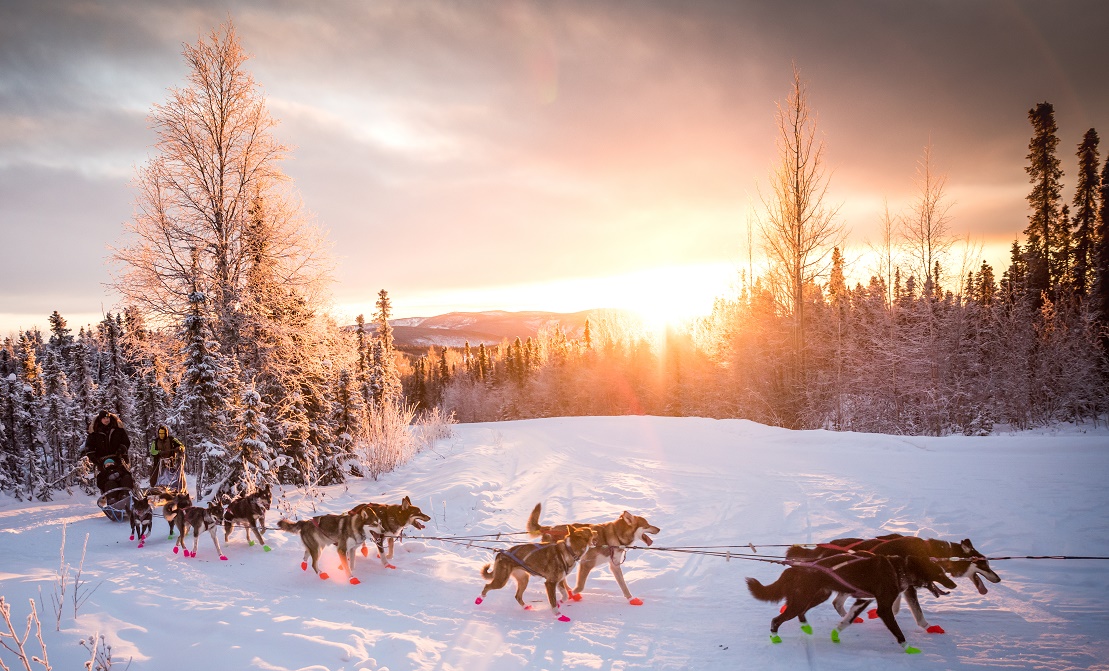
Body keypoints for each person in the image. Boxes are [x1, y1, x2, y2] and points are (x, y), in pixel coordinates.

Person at [82, 410, 132, 493]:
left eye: (107, 418)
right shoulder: (95, 432)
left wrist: (121, 450)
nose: (106, 420)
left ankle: (126, 494)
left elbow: (126, 442)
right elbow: (89, 447)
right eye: (104, 418)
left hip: (118, 458)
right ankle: (111, 497)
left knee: (125, 476)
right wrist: (94, 458)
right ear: (100, 419)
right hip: (102, 461)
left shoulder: (118, 429)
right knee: (107, 480)